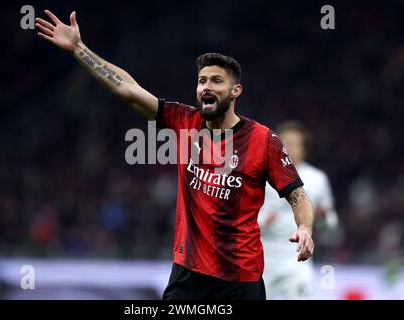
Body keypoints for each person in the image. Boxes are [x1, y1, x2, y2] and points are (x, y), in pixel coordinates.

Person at [35, 9, 315, 300]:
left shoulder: (263, 140)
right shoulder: (185, 121)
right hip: (188, 276)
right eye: (202, 80)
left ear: (235, 91)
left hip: (239, 280)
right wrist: (80, 49)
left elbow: (299, 197)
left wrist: (305, 228)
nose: (206, 86)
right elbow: (128, 90)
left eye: (216, 81)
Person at [258, 121, 338, 299]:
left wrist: (324, 218)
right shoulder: (260, 176)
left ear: (304, 149)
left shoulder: (317, 179)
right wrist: (264, 221)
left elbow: (330, 227)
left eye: (293, 144)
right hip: (262, 260)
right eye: (282, 143)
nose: (287, 148)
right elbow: (241, 218)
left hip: (297, 262)